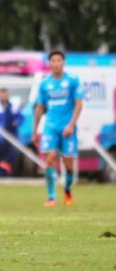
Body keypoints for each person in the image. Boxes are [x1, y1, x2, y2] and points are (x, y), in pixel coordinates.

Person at [33, 51, 84, 207]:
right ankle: (51, 197)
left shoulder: (72, 81)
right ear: (49, 64)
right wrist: (35, 130)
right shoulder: (44, 84)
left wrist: (71, 125)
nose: (56, 63)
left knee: (68, 164)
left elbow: (79, 104)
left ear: (63, 63)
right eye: (53, 61)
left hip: (67, 128)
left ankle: (67, 189)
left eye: (59, 60)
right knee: (49, 159)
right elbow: (40, 107)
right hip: (50, 127)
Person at [0, 88, 23, 177]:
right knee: (0, 155)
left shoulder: (12, 106)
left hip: (12, 134)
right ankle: (1, 173)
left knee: (13, 153)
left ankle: (5, 171)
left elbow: (20, 117)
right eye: (2, 95)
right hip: (0, 136)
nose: (3, 97)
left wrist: (16, 122)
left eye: (5, 95)